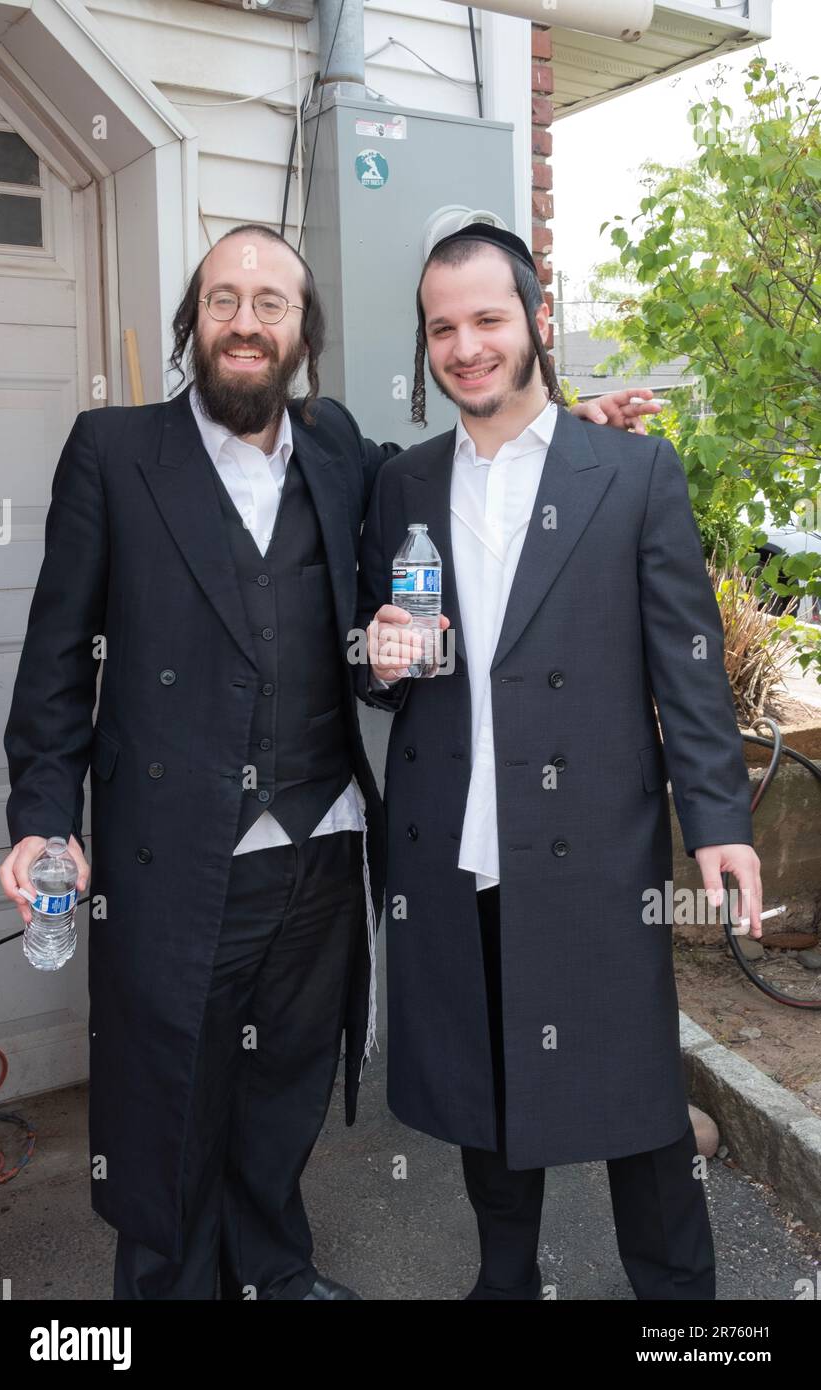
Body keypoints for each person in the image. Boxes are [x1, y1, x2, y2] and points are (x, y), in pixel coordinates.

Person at [0, 220, 660, 1301]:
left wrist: (570, 429)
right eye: (223, 301)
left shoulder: (344, 450)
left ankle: (274, 1268)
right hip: (173, 852)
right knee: (169, 1097)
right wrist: (40, 810)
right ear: (193, 326)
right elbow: (59, 655)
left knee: (284, 1083)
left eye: (272, 304)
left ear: (303, 335)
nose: (246, 322)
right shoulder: (114, 453)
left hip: (318, 843)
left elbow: (473, 474)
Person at [356, 223, 763, 1301]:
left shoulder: (627, 470)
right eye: (442, 327)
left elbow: (688, 666)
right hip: (455, 849)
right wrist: (382, 657)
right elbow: (370, 656)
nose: (465, 346)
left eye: (487, 319)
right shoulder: (402, 483)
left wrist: (719, 821)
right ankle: (506, 1280)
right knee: (481, 1094)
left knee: (636, 1110)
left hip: (592, 853)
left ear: (536, 321)